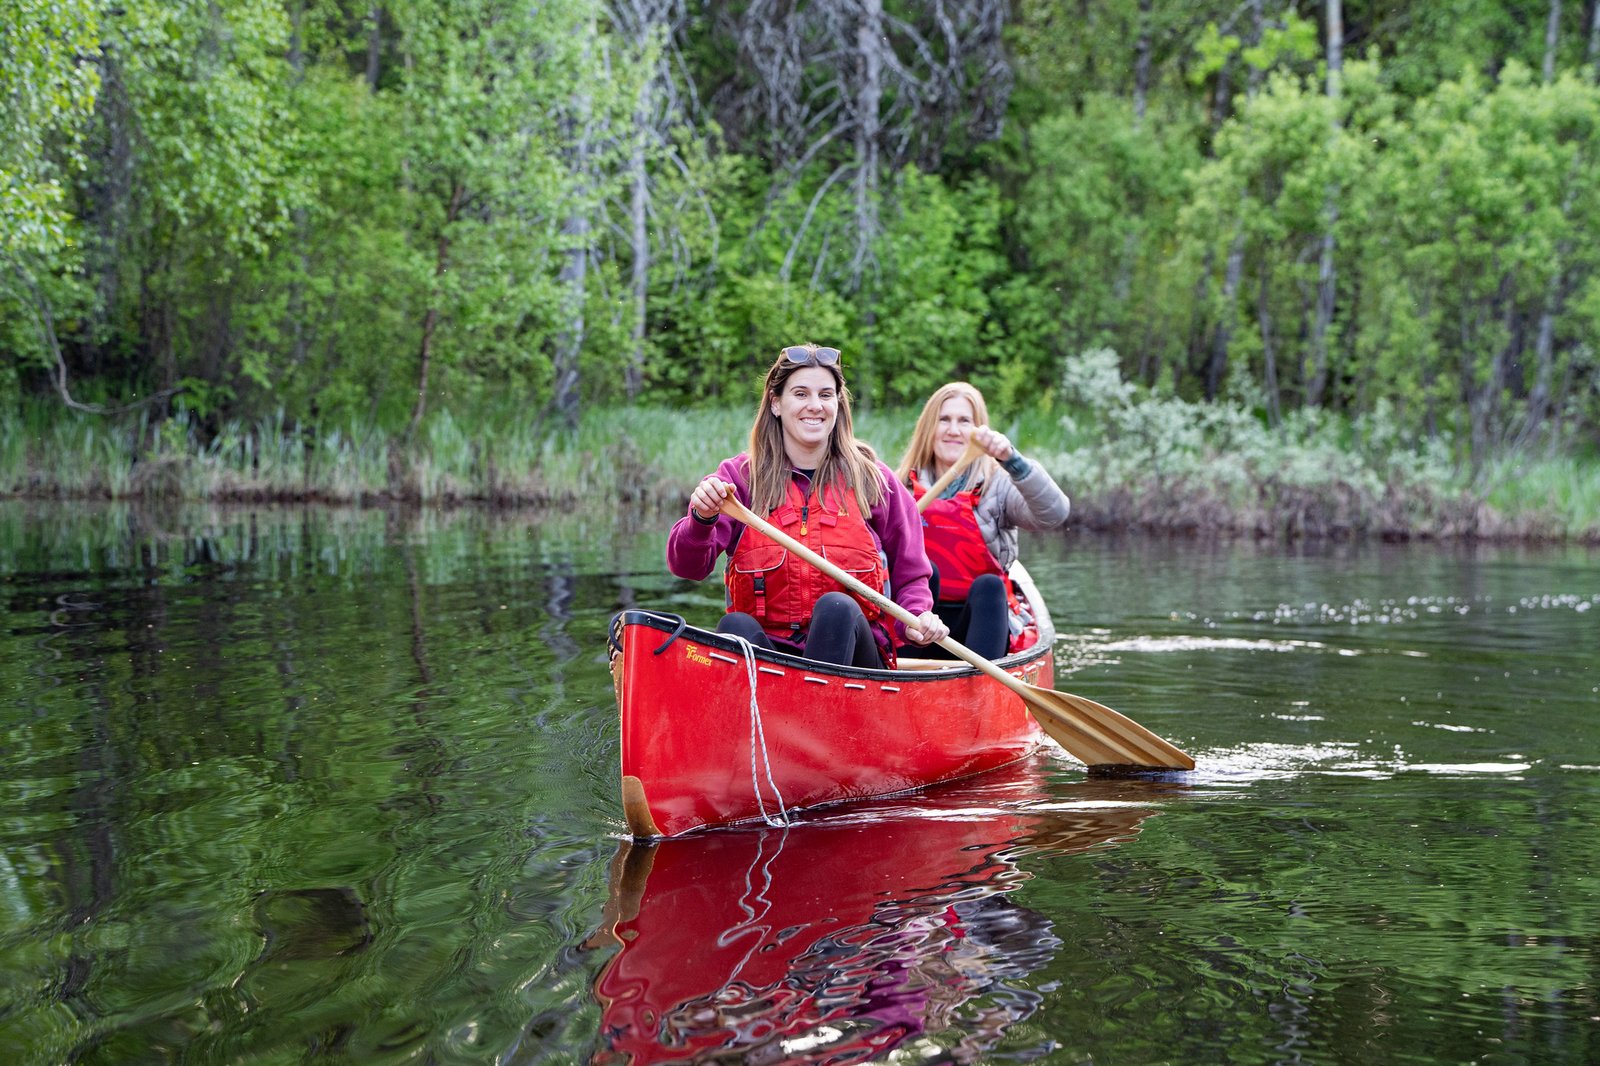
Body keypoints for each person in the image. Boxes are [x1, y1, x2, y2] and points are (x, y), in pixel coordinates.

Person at [668, 343, 948, 668]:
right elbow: (686, 567)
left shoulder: (874, 481)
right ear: (776, 403)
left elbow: (912, 574)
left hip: (857, 664)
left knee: (836, 608)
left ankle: (817, 712)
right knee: (735, 628)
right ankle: (778, 711)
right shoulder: (740, 479)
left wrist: (916, 619)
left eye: (826, 395)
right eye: (801, 394)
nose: (815, 406)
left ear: (838, 404)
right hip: (771, 664)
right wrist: (701, 519)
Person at [894, 382, 1070, 659]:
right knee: (927, 570)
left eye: (964, 421)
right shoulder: (899, 486)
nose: (953, 430)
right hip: (918, 628)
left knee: (990, 585)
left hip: (981, 625)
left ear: (978, 430)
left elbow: (1054, 514)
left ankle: (982, 684)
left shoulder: (997, 486)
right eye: (944, 420)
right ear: (929, 428)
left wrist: (1012, 461)